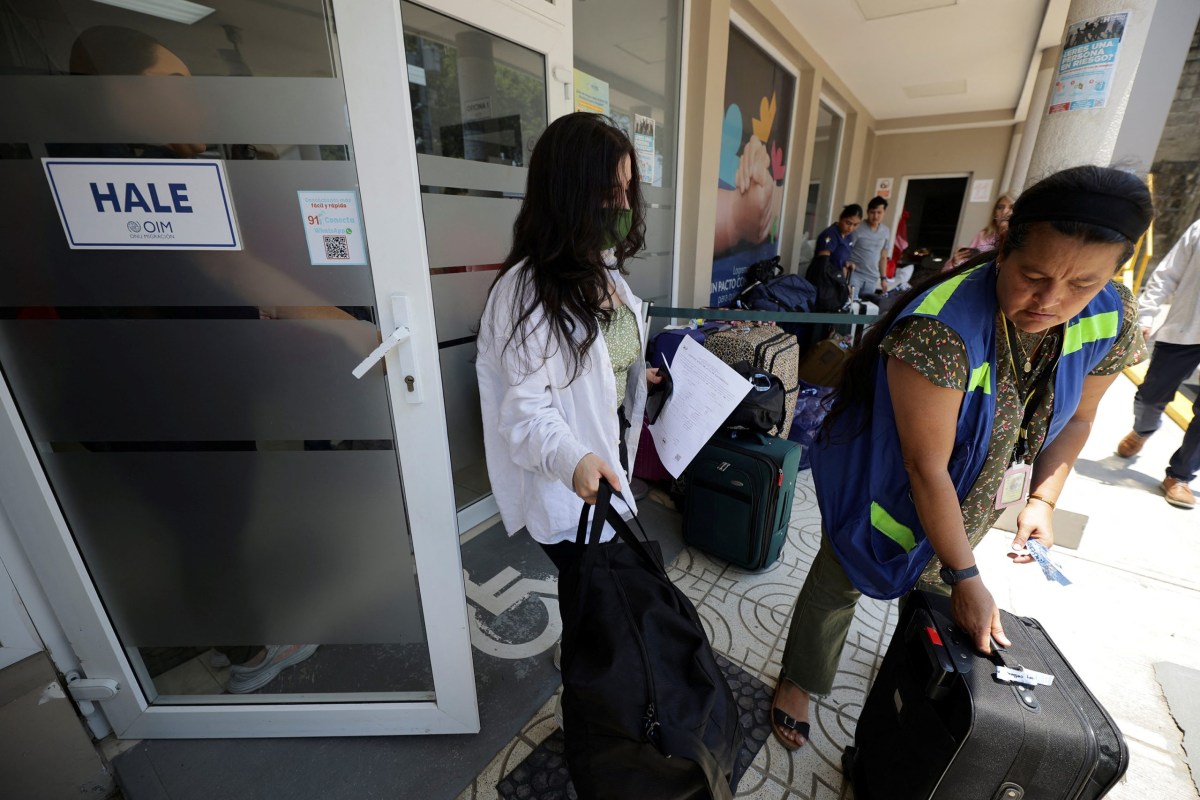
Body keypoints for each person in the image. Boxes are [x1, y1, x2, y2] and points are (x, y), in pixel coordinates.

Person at [769, 165, 1153, 751]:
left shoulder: (1112, 316)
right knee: (843, 573)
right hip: (889, 481)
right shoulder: (941, 331)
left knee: (936, 606)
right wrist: (968, 573)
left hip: (969, 489)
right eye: (1033, 275)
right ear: (1002, 253)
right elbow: (925, 468)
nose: (1052, 301)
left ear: (1113, 275)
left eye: (1082, 284)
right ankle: (801, 681)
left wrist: (1044, 496)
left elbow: (1078, 418)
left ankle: (908, 699)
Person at [477, 112, 662, 580]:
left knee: (599, 592)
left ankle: (585, 648)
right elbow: (524, 413)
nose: (620, 206)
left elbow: (603, 362)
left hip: (608, 460)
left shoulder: (602, 269)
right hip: (568, 482)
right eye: (607, 192)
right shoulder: (525, 292)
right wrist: (573, 460)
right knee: (594, 590)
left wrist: (639, 375)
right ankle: (587, 653)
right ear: (566, 193)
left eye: (625, 191)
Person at [1115, 218, 1200, 509]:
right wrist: (1147, 315)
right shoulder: (1199, 229)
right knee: (1151, 395)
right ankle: (1143, 430)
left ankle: (1180, 476)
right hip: (1184, 331)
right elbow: (1167, 274)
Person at [805, 204, 862, 313]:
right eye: (848, 223)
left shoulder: (848, 236)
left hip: (835, 284)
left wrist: (846, 263)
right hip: (822, 283)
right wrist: (843, 284)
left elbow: (838, 257)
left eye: (855, 225)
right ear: (841, 217)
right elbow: (823, 264)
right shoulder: (830, 234)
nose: (851, 228)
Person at [949, 193, 1014, 270]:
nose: (1004, 212)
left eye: (1011, 207)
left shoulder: (1018, 238)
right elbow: (966, 266)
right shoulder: (983, 235)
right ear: (994, 213)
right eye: (1000, 207)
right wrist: (956, 262)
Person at [846, 196, 891, 298]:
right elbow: (846, 249)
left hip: (872, 277)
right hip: (855, 275)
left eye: (879, 212)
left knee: (866, 308)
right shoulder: (857, 227)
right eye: (872, 212)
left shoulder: (886, 231)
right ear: (867, 212)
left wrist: (883, 278)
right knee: (852, 305)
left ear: (884, 212)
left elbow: (883, 256)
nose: (875, 216)